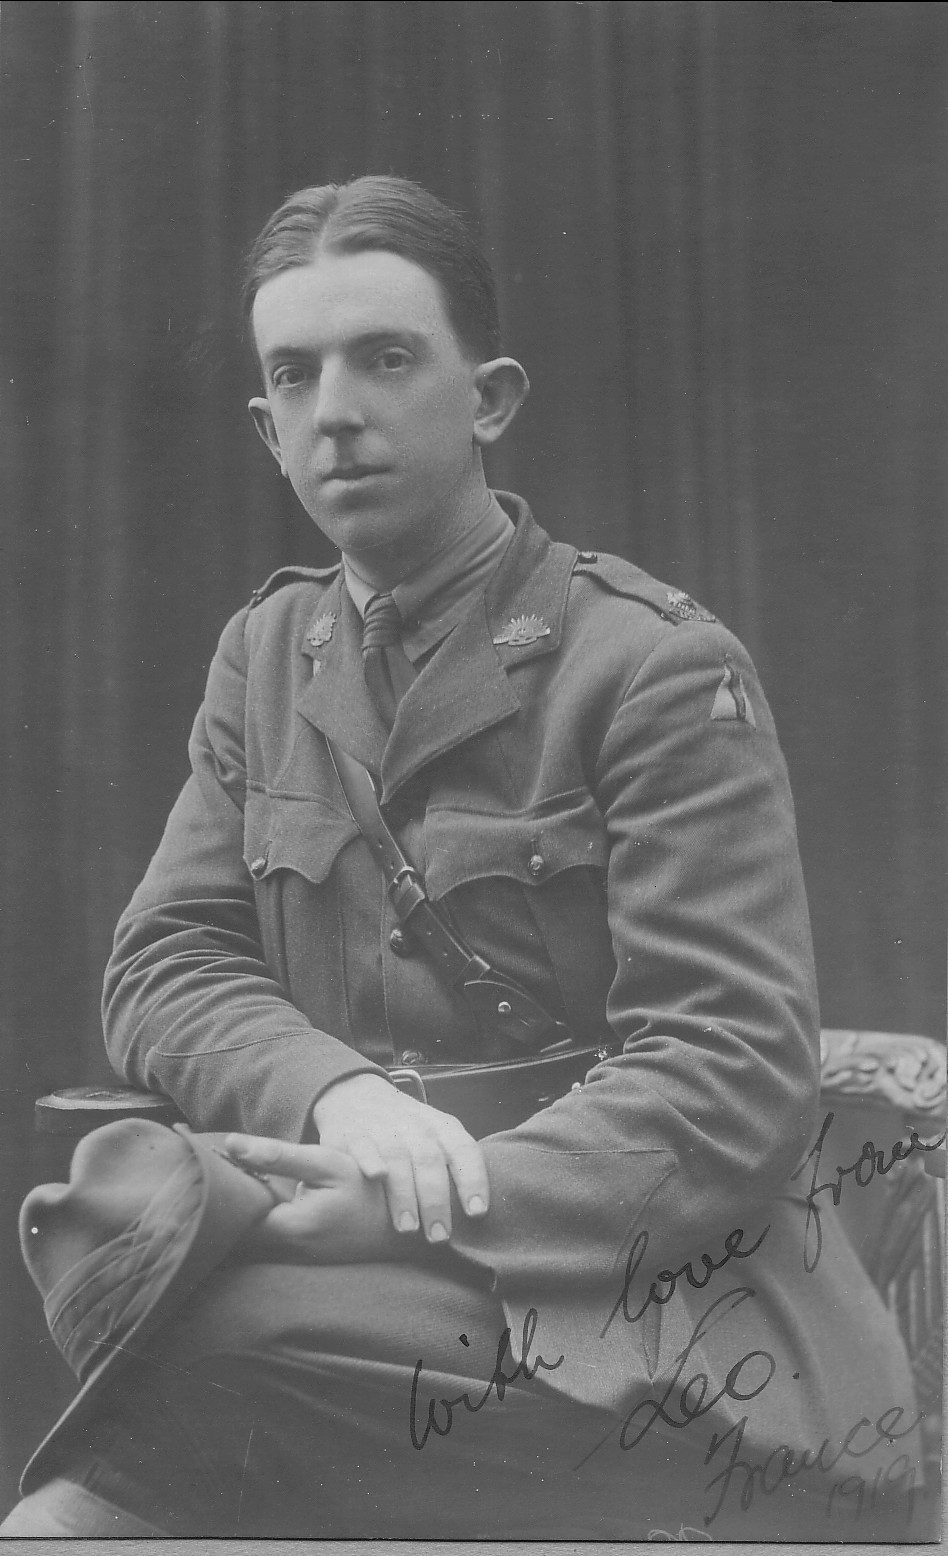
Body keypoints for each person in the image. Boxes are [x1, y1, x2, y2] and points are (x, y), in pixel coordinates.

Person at [2, 177, 925, 1540]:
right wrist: (334, 1099)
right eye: (295, 375)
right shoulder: (268, 657)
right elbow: (167, 961)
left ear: (488, 400)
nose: (336, 411)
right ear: (265, 427)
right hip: (370, 1277)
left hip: (654, 1303)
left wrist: (415, 1207)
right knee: (92, 1449)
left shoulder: (650, 666)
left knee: (179, 1323)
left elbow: (728, 1072)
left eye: (385, 359)